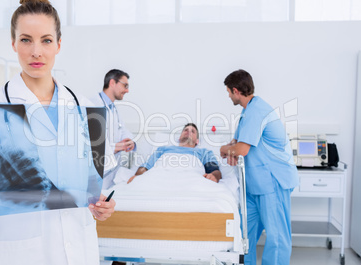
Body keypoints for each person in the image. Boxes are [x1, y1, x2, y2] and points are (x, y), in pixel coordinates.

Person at [0, 1, 115, 264]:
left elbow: (98, 183)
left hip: (79, 248)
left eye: (45, 40)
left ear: (58, 45)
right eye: (26, 40)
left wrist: (103, 207)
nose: (36, 52)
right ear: (13, 43)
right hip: (20, 253)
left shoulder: (86, 107)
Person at [219, 69, 299, 265]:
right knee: (244, 235)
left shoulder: (257, 111)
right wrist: (232, 149)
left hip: (272, 182)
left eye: (229, 92)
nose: (228, 96)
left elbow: (242, 149)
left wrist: (225, 149)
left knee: (277, 236)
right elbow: (236, 141)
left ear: (236, 91)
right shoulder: (248, 112)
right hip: (255, 185)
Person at [128, 123, 221, 184]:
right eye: (185, 130)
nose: (188, 132)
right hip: (158, 179)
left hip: (191, 180)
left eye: (192, 131)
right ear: (179, 137)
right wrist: (137, 177)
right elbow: (146, 167)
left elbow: (215, 171)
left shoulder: (204, 152)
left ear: (197, 141)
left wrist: (214, 177)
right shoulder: (163, 149)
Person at [90, 69, 136, 189]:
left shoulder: (113, 108)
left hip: (110, 172)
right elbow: (90, 144)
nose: (127, 90)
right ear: (112, 83)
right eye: (125, 85)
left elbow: (122, 130)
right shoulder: (92, 105)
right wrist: (113, 148)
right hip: (96, 172)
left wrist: (129, 141)